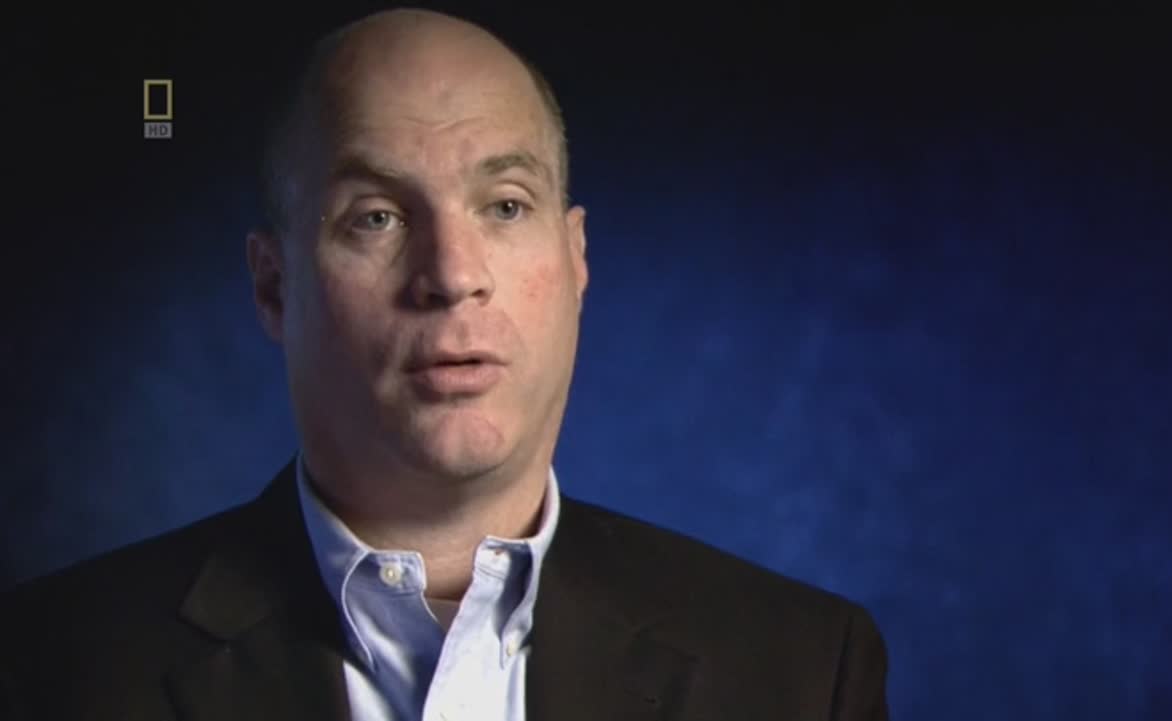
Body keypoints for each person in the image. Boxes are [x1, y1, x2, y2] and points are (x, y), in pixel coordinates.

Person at [0, 7, 890, 720]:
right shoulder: (44, 671)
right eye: (377, 217)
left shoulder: (805, 670)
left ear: (576, 259)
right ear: (273, 286)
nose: (454, 274)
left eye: (505, 206)